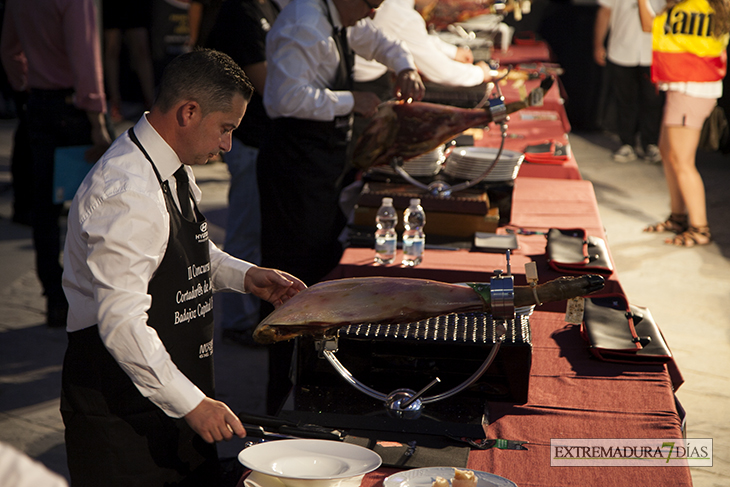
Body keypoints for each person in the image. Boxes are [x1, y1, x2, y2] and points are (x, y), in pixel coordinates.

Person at [60, 49, 306, 486]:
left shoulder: (173, 168)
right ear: (189, 112)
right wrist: (191, 403)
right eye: (225, 128)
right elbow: (121, 324)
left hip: (173, 391)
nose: (228, 144)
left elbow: (185, 252)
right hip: (121, 413)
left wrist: (245, 275)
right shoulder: (126, 193)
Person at [258, 0, 424, 414]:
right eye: (369, 4)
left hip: (326, 163)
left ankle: (317, 383)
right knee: (292, 284)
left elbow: (375, 39)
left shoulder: (343, 17)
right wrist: (353, 101)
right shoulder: (304, 24)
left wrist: (404, 65)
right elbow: (284, 98)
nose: (371, 13)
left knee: (323, 273)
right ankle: (284, 397)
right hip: (295, 168)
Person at [1, 0, 113, 328]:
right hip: (74, 107)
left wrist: (27, 83)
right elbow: (85, 58)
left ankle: (54, 296)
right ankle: (93, 290)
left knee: (45, 207)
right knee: (96, 203)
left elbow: (9, 49)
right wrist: (97, 120)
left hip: (38, 102)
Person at [206, 0, 280, 347]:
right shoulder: (243, 12)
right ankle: (236, 320)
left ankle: (244, 315)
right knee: (245, 232)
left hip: (258, 140)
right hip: (247, 140)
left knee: (252, 231)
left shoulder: (264, 9)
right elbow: (267, 82)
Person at [639, 0, 730, 246]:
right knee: (669, 153)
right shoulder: (714, 6)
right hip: (685, 85)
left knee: (681, 160)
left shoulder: (693, 7)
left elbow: (647, 25)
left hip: (690, 86)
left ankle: (700, 229)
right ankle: (677, 218)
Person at [354, 0, 496, 92]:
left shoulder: (400, 7)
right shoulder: (403, 16)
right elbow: (442, 71)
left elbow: (416, 39)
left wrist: (452, 52)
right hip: (361, 85)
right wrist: (479, 73)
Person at [594, 0, 665, 163]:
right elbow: (604, 12)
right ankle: (627, 143)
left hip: (653, 51)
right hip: (622, 48)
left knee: (653, 100)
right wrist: (598, 44)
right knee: (625, 99)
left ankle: (651, 144)